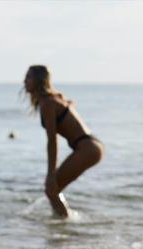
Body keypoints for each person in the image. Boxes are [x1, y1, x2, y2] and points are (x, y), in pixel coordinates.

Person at [23, 65, 103, 218]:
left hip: (87, 147)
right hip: (90, 146)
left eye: (29, 77)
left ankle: (64, 225)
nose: (24, 81)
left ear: (39, 81)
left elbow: (52, 141)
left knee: (51, 188)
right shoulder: (49, 101)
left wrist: (50, 174)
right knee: (52, 190)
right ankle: (63, 226)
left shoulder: (47, 103)